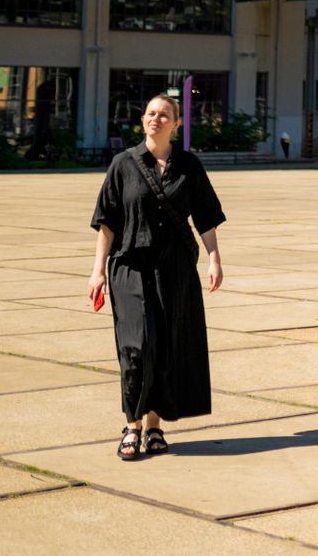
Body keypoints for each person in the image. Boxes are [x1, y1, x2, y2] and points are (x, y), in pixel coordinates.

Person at [89, 94, 226, 461]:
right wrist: (97, 269)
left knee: (167, 348)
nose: (156, 119)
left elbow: (206, 216)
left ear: (177, 124)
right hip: (130, 267)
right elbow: (107, 222)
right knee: (137, 347)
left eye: (164, 114)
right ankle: (131, 426)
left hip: (176, 268)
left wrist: (214, 258)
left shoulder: (188, 166)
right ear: (143, 120)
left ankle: (153, 427)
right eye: (151, 113)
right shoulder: (123, 164)